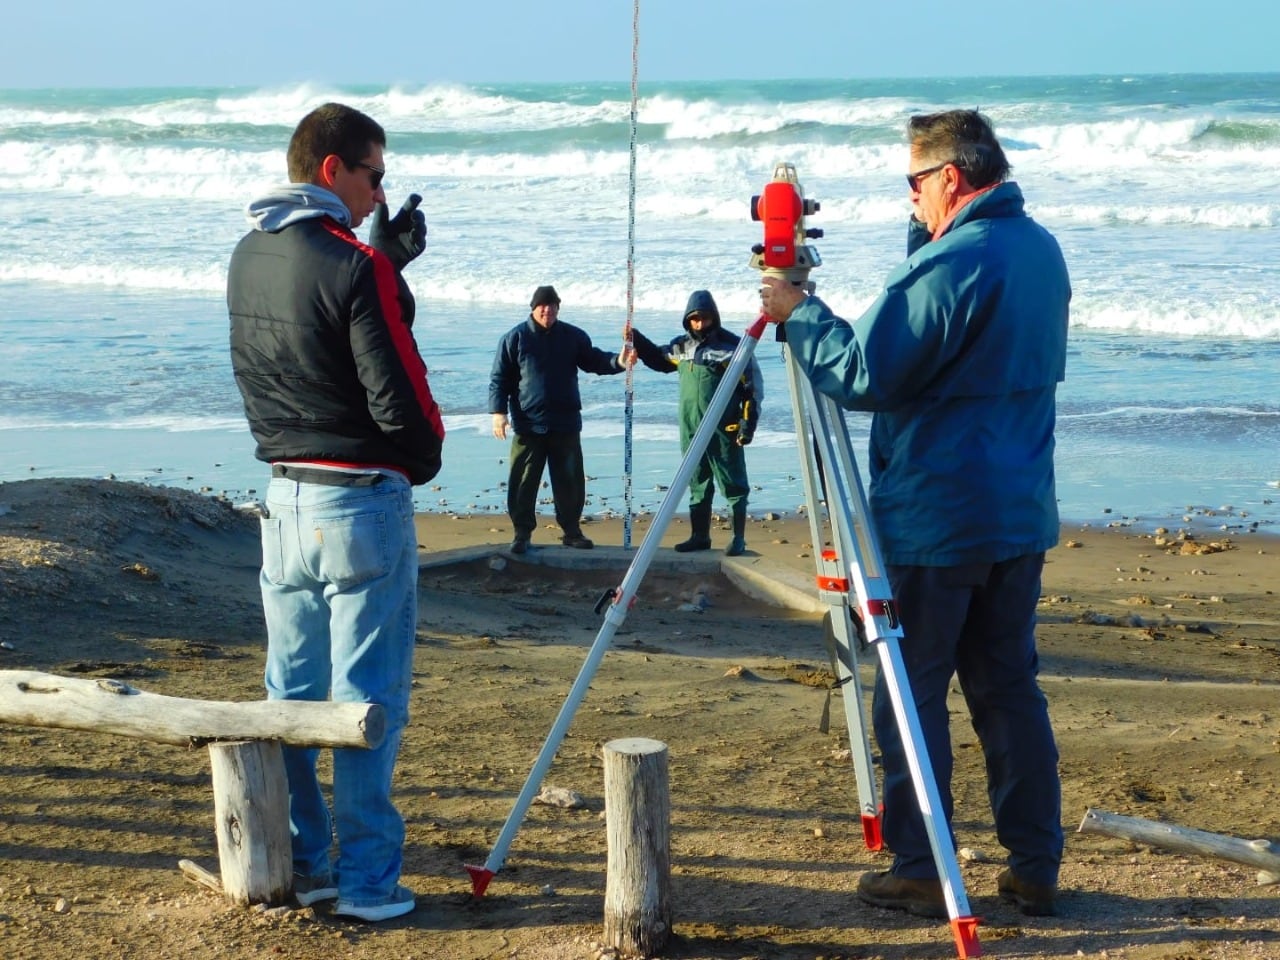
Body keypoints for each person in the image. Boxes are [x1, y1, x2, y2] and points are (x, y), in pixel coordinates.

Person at [760, 109, 1069, 920]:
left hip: (940, 517)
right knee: (1008, 688)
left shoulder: (956, 263)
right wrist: (919, 241)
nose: (912, 198)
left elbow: (866, 372)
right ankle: (1035, 862)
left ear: (950, 179)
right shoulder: (1037, 250)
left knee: (910, 687)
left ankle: (923, 865)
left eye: (914, 184)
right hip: (1017, 509)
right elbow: (952, 330)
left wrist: (800, 315)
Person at [227, 102, 444, 923]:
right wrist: (420, 460)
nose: (378, 195)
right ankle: (368, 884)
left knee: (294, 690)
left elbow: (294, 355)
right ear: (332, 170)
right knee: (366, 697)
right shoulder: (358, 265)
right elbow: (403, 394)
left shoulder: (249, 255)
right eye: (373, 176)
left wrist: (385, 263)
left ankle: (308, 861)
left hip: (282, 497)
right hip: (357, 501)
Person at [489, 285, 630, 553]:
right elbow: (500, 378)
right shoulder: (515, 338)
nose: (547, 310)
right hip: (528, 423)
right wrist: (498, 414)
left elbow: (594, 360)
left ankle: (572, 531)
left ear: (558, 308)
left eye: (553, 305)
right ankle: (521, 533)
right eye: (543, 305)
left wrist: (619, 361)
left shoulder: (572, 336)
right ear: (533, 308)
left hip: (565, 422)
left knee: (569, 480)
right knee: (523, 480)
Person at [631, 290, 762, 556]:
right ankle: (699, 536)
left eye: (705, 318)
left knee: (734, 484)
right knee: (697, 482)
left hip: (725, 429)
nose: (700, 324)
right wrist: (636, 339)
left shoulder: (733, 348)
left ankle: (738, 538)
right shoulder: (681, 348)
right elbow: (659, 360)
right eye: (695, 319)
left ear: (715, 318)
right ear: (688, 321)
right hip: (691, 429)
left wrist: (747, 425)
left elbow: (752, 388)